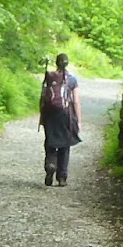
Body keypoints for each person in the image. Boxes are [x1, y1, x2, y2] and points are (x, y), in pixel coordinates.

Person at [37, 53, 82, 187]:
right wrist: (79, 120)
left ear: (56, 63)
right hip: (65, 115)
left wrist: (42, 117)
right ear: (67, 63)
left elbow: (43, 97)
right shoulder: (72, 79)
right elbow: (76, 101)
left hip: (50, 114)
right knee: (65, 144)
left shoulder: (49, 77)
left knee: (50, 140)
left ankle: (51, 164)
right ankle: (62, 177)